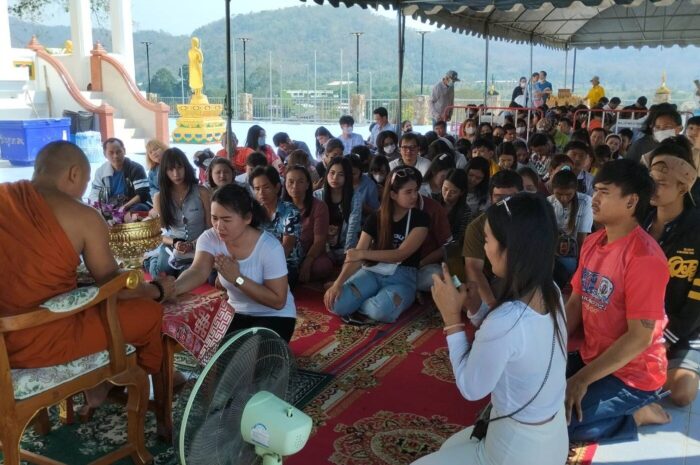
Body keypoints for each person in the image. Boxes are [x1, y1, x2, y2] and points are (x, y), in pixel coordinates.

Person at [0, 141, 169, 402]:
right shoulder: (82, 216)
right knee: (149, 313)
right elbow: (117, 287)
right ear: (74, 173)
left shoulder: (6, 198)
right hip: (43, 337)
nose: (83, 191)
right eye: (85, 181)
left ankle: (102, 382)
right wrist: (156, 290)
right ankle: (121, 381)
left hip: (4, 337)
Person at [414, 193, 568, 465]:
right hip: (549, 438)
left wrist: (452, 320)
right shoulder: (551, 290)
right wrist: (475, 309)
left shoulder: (508, 320)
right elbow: (511, 343)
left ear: (511, 248)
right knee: (449, 446)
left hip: (517, 450)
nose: (483, 249)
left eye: (486, 240)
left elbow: (472, 388)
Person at [566, 159, 671, 444]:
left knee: (560, 428)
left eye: (604, 192)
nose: (594, 199)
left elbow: (639, 338)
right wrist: (548, 346)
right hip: (594, 358)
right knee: (529, 396)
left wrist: (581, 379)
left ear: (631, 201)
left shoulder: (644, 259)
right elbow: (575, 302)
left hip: (634, 375)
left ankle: (638, 414)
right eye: (595, 191)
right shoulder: (593, 242)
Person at [174, 184, 297, 342]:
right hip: (236, 311)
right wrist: (173, 289)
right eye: (215, 218)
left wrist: (238, 279)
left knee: (248, 356)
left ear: (247, 218)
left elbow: (278, 301)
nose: (219, 226)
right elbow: (198, 271)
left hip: (275, 315)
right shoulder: (209, 237)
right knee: (213, 351)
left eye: (226, 220)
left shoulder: (270, 247)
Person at [324, 167, 429, 324]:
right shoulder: (375, 218)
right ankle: (368, 299)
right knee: (336, 304)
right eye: (408, 192)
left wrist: (364, 254)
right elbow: (355, 256)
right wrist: (338, 283)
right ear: (393, 194)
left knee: (379, 311)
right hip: (373, 271)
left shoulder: (421, 219)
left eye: (416, 191)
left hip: (403, 277)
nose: (414, 196)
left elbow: (401, 254)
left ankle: (390, 298)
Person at [643, 137, 700, 408]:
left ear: (682, 186)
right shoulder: (638, 220)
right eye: (651, 180)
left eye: (661, 183)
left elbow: (696, 304)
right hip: (638, 325)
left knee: (682, 392)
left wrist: (665, 340)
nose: (652, 188)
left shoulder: (697, 229)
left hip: (685, 329)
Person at [146, 148, 211, 278]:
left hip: (200, 244)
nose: (176, 174)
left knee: (187, 276)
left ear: (186, 167)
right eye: (170, 169)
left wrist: (192, 244)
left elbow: (211, 227)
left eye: (179, 167)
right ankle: (151, 260)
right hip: (173, 245)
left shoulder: (202, 192)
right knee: (161, 275)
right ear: (165, 172)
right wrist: (175, 242)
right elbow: (159, 234)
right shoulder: (159, 197)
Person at [463, 170, 523, 309]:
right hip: (496, 281)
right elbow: (473, 268)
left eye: (511, 198)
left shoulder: (531, 220)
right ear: (490, 198)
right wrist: (491, 305)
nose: (505, 203)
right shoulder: (477, 226)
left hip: (528, 272)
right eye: (499, 198)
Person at [249, 166, 303, 288]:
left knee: (270, 282)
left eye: (266, 187)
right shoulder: (252, 212)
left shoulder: (290, 211)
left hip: (285, 263)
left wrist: (261, 269)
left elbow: (287, 247)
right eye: (257, 189)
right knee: (220, 276)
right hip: (258, 260)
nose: (261, 193)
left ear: (277, 187)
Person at [283, 165, 333, 283]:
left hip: (311, 252)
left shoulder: (319, 207)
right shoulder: (281, 207)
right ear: (285, 183)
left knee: (322, 267)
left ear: (307, 185)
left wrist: (307, 261)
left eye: (300, 182)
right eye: (290, 181)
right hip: (286, 253)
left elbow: (319, 241)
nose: (295, 186)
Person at [314, 157, 364, 265]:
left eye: (341, 174)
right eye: (332, 173)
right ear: (326, 174)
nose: (335, 178)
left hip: (345, 246)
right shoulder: (317, 196)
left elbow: (353, 226)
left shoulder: (355, 197)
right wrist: (326, 250)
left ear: (347, 177)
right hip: (322, 247)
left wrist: (348, 254)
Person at [547, 169, 593, 288]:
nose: (563, 198)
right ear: (552, 190)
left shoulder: (586, 202)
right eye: (559, 194)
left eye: (568, 194)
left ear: (575, 190)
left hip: (573, 253)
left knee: (566, 265)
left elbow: (581, 240)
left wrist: (579, 269)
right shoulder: (548, 202)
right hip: (551, 250)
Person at [89, 137, 150, 211]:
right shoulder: (101, 172)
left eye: (118, 152)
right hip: (109, 208)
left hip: (131, 206)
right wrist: (103, 208)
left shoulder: (136, 168)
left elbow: (143, 195)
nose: (115, 156)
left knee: (140, 208)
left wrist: (124, 207)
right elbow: (94, 195)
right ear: (105, 154)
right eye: (111, 152)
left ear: (124, 151)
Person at [441, 168, 472, 245]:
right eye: (445, 189)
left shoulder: (465, 211)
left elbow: (457, 238)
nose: (447, 194)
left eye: (453, 192)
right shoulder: (433, 200)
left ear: (461, 192)